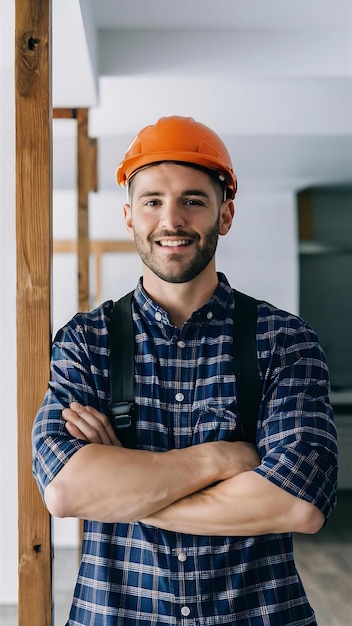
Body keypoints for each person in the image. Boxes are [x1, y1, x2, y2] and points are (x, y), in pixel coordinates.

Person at [32, 116, 338, 626]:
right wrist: (223, 458)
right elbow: (66, 491)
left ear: (226, 214)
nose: (171, 219)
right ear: (129, 216)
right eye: (152, 200)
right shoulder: (86, 341)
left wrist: (123, 490)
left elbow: (298, 502)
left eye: (193, 200)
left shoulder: (284, 339)